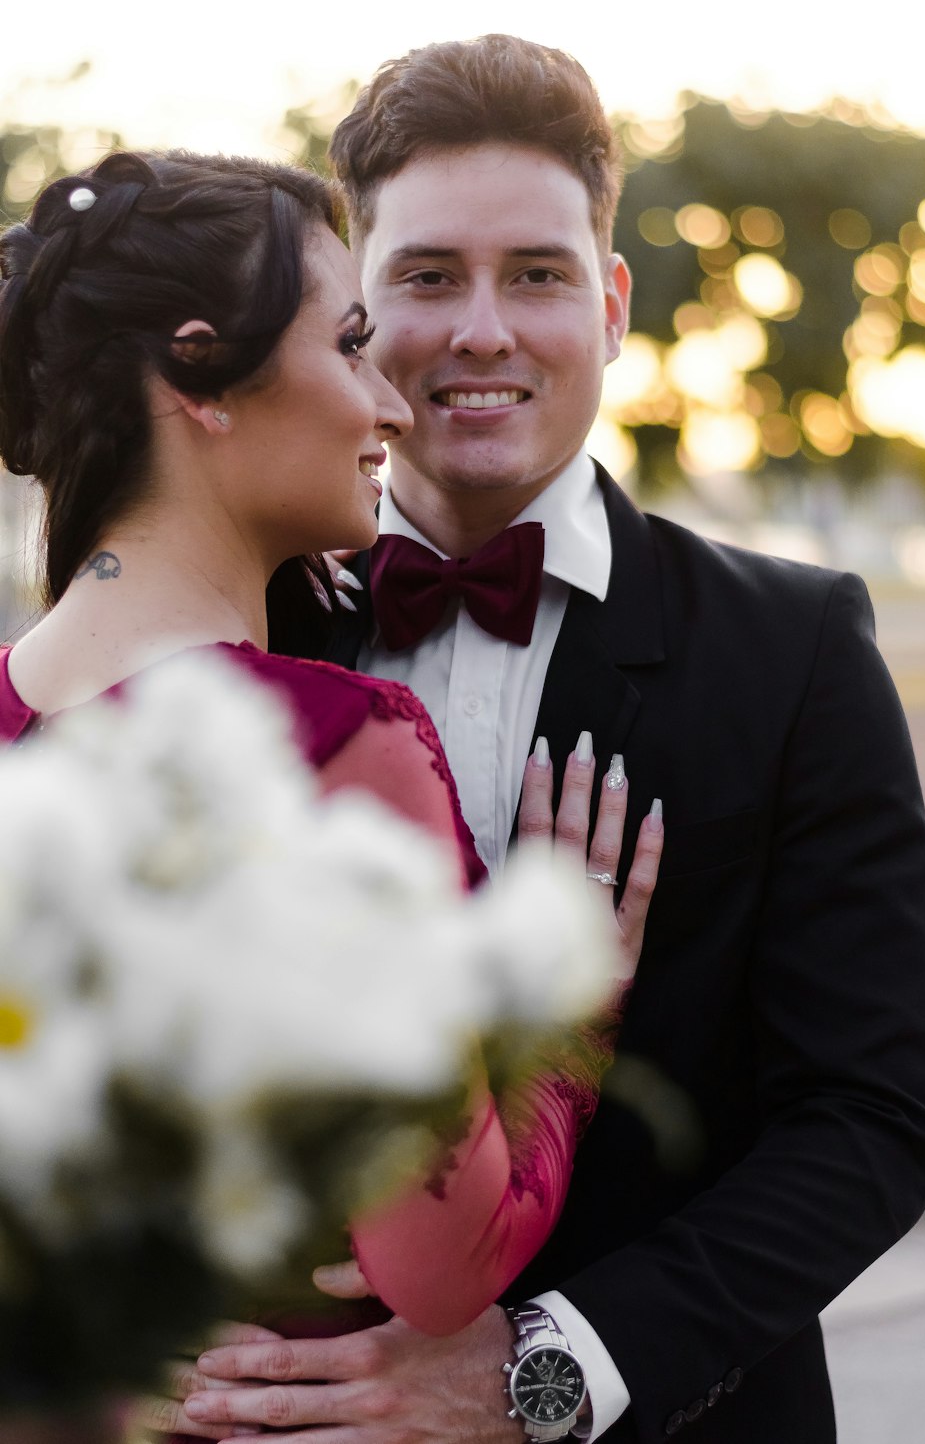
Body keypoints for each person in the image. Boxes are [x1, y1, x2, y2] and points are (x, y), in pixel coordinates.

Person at [180, 36, 925, 1444]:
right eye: (424, 277)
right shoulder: (229, 641)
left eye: (535, 274)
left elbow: (869, 1121)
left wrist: (548, 1365)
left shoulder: (794, 653)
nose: (482, 329)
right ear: (353, 314)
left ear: (610, 303)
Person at [0, 147, 663, 1431]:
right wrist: (570, 1019)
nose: (393, 405)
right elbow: (437, 1263)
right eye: (352, 343)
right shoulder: (343, 739)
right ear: (201, 377)